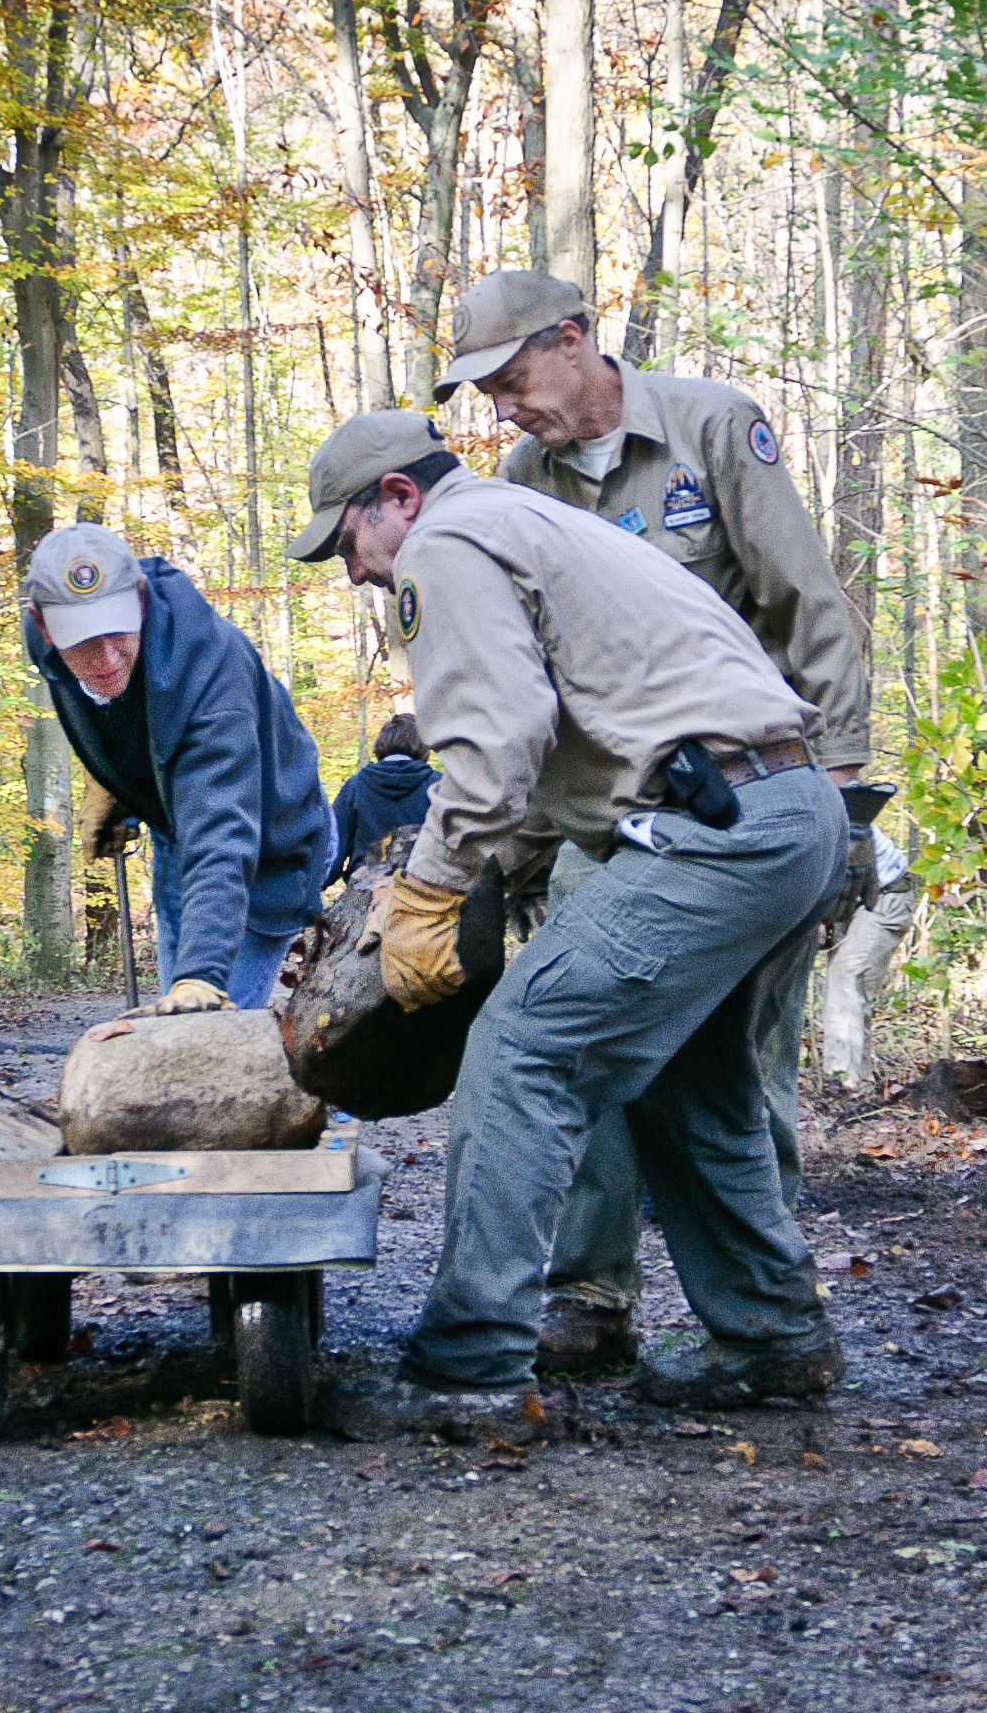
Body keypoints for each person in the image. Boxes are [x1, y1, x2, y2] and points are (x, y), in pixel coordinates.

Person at [286, 410, 851, 1438]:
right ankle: (771, 1338)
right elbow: (555, 753)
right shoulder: (530, 522)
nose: (355, 574)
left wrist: (428, 888)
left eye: (349, 544)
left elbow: (494, 743)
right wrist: (489, 871)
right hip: (789, 812)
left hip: (718, 831)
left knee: (523, 1045)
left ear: (398, 500)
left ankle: (469, 1368)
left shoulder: (450, 543)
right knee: (688, 1085)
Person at [440, 268, 875, 1373]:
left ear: (574, 340)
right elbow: (529, 693)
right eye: (484, 393)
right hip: (612, 821)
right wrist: (513, 856)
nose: (502, 407)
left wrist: (842, 796)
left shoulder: (710, 429)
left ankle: (764, 1312)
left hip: (742, 803)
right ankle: (587, 1295)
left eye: (511, 377)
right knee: (576, 1040)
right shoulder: (521, 481)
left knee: (734, 1065)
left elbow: (807, 609)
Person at [21, 524, 334, 1012]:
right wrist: (112, 787)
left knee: (207, 1023)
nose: (104, 659)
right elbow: (120, 714)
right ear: (45, 627)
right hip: (178, 829)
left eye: (115, 631)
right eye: (82, 640)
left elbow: (222, 837)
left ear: (141, 600)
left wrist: (202, 975)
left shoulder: (211, 674)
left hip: (275, 845)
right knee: (176, 1011)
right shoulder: (45, 643)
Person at [817, 824, 918, 1093]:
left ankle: (844, 1079)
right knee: (851, 990)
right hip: (857, 898)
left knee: (845, 975)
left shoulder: (827, 810)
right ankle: (858, 1080)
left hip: (887, 895)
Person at [331, 713, 439, 886]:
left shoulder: (355, 787)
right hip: (422, 899)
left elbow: (332, 852)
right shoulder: (438, 787)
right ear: (423, 745)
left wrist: (306, 899)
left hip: (365, 898)